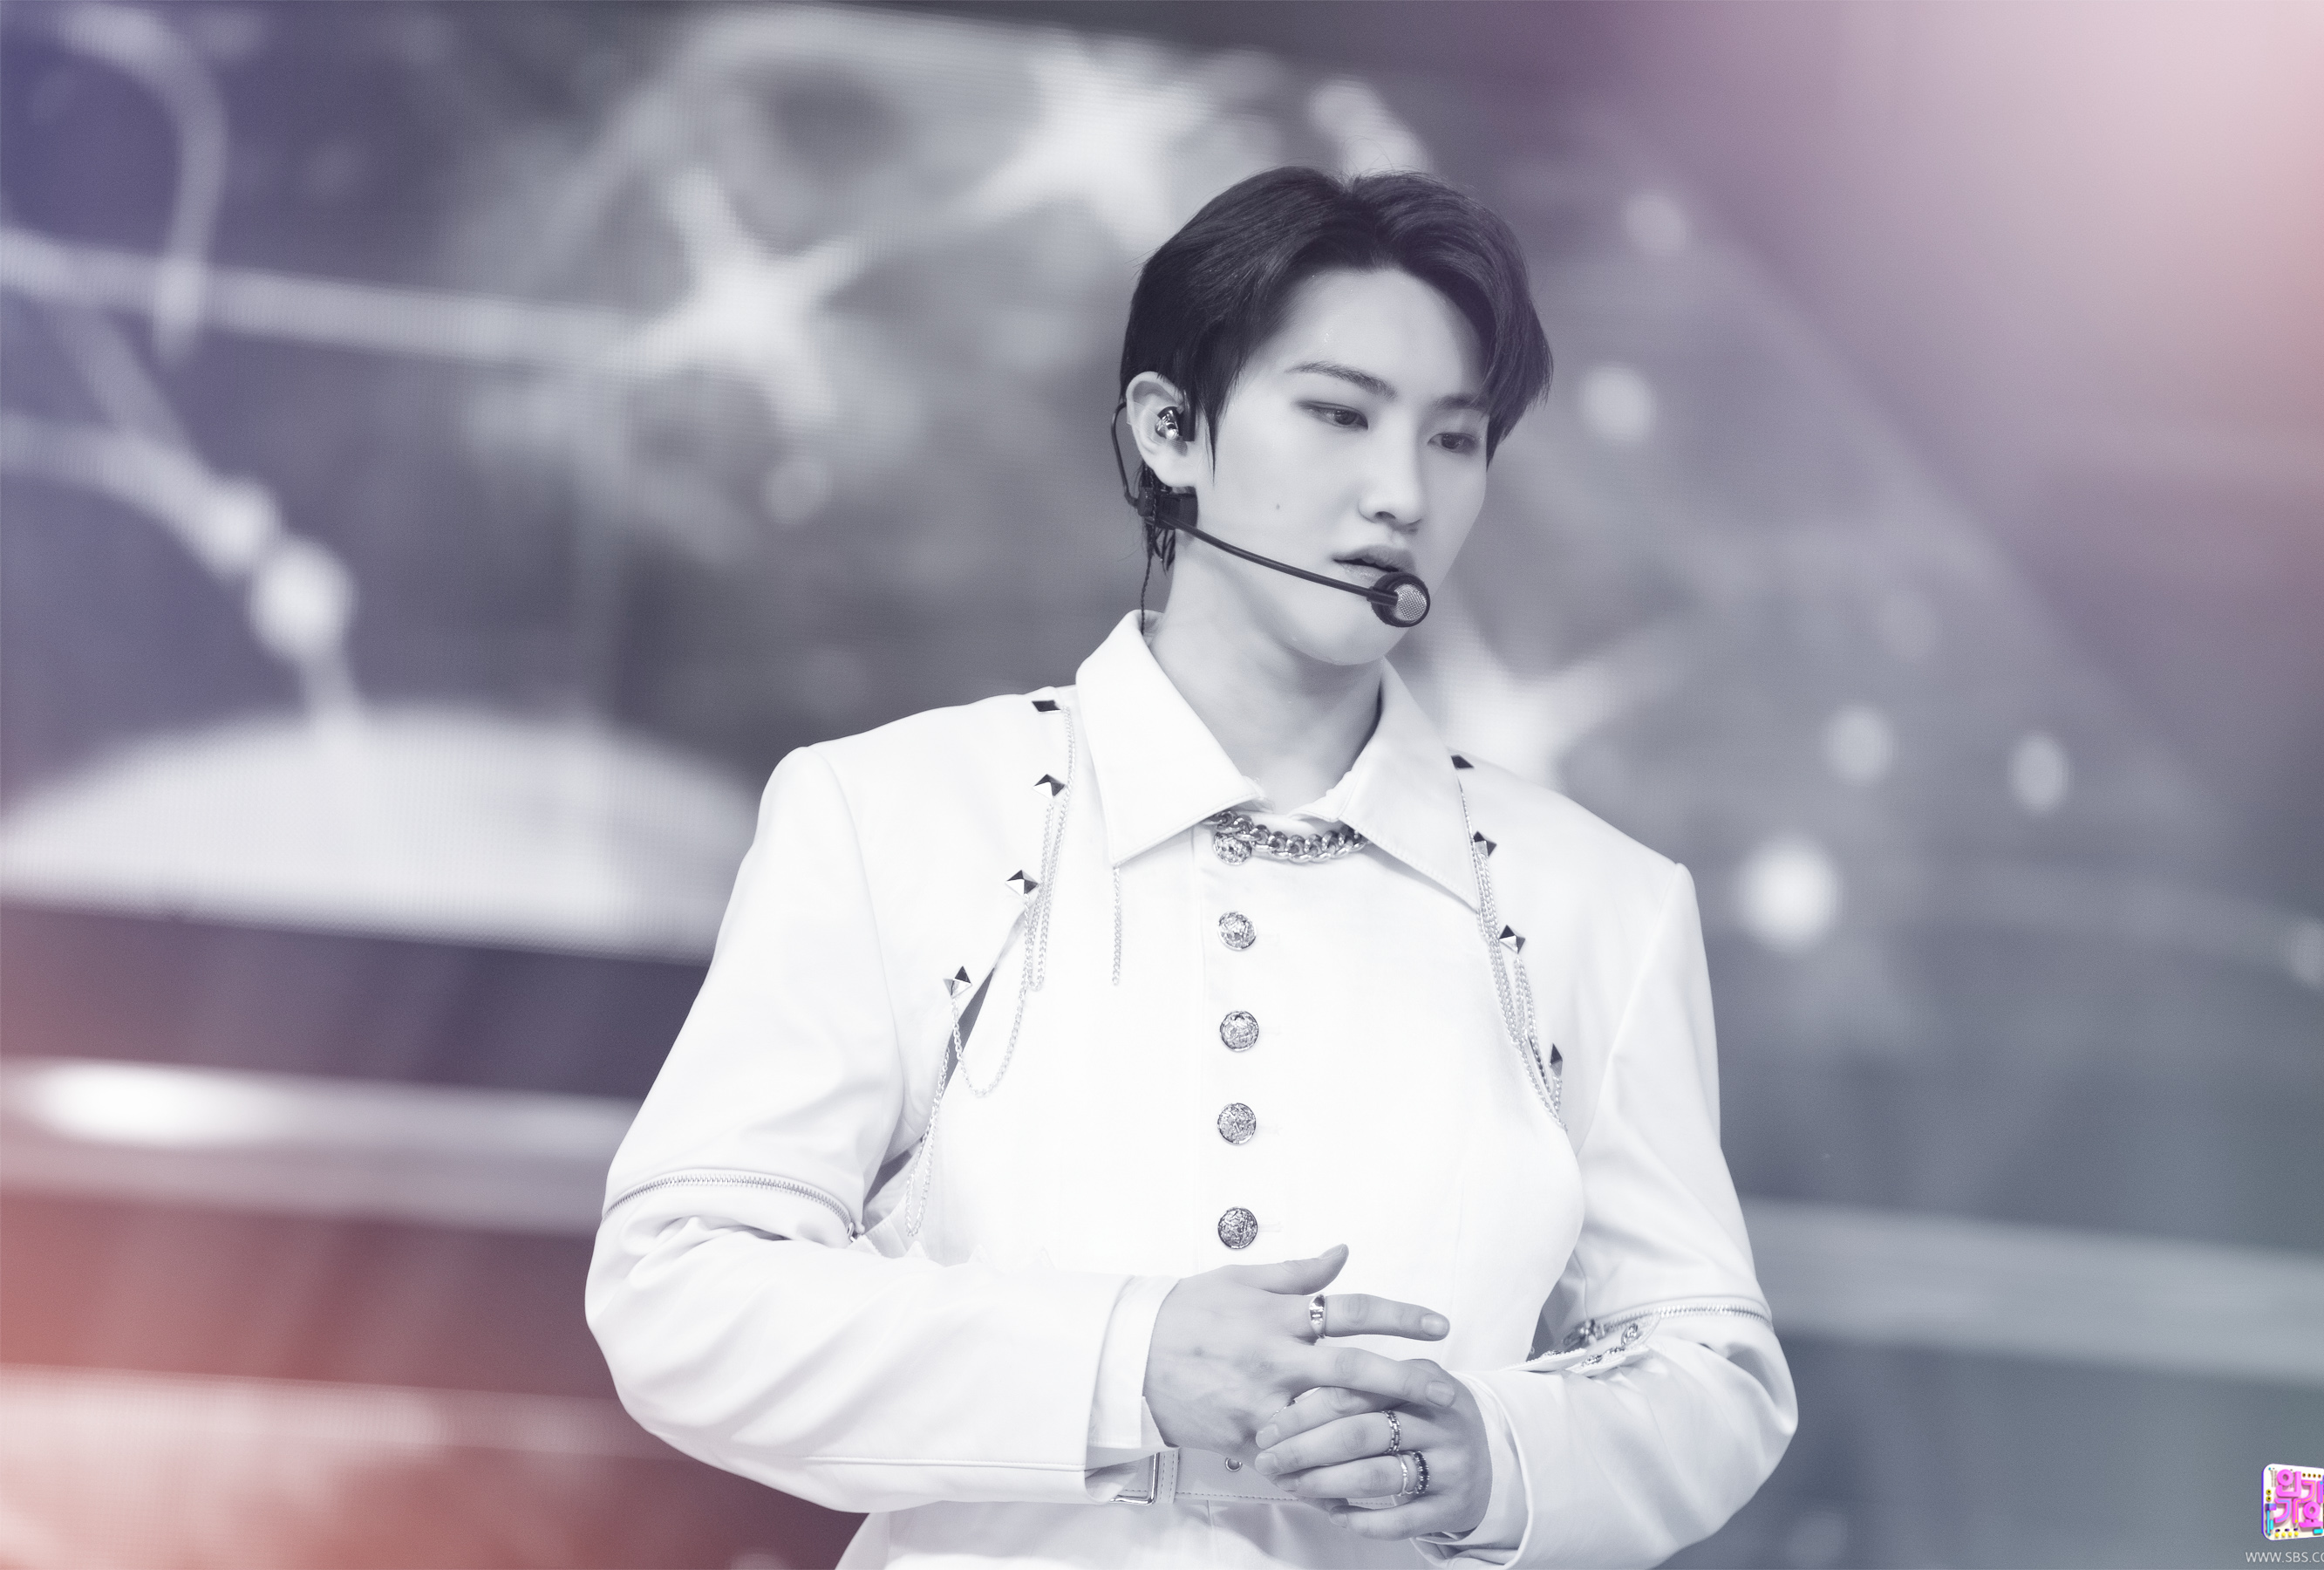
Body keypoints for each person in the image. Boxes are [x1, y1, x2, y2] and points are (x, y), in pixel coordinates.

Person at [588, 166, 1796, 1569]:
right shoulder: (892, 813)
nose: (1400, 493)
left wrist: (1498, 1456)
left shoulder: (1602, 904)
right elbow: (680, 1289)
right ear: (1170, 431)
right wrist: (1126, 1362)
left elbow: (1712, 1368)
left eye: (1455, 439)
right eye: (1338, 413)